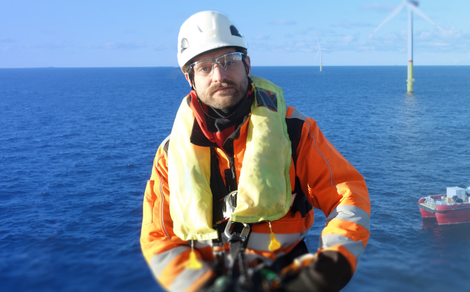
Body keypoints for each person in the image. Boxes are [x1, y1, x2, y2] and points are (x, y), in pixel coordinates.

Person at [140, 10, 371, 292]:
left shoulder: (295, 132)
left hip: (290, 280)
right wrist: (201, 285)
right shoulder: (170, 154)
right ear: (189, 77)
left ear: (247, 64)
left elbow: (348, 194)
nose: (219, 75)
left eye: (229, 61)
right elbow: (158, 237)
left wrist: (328, 267)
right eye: (204, 67)